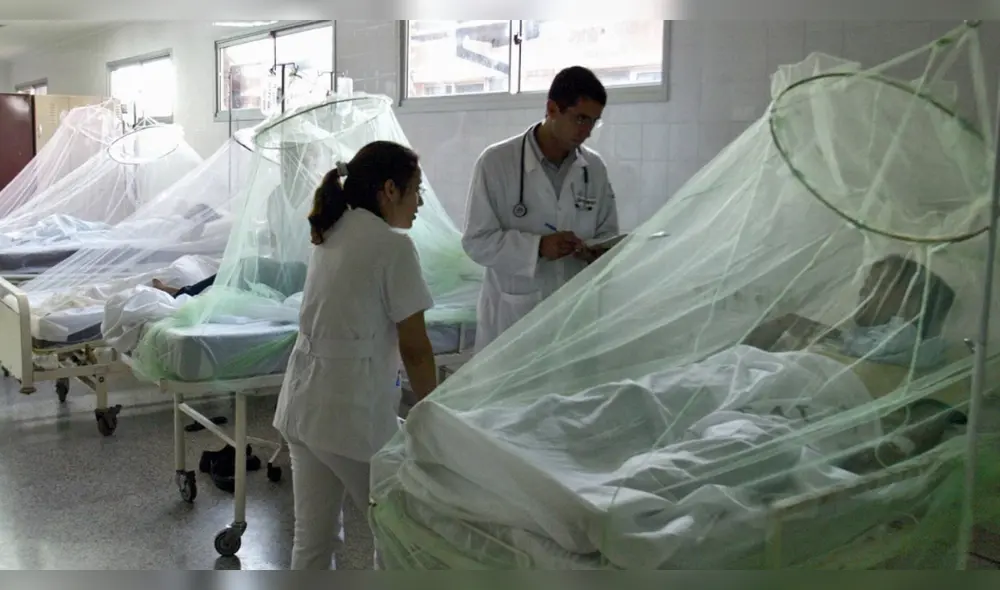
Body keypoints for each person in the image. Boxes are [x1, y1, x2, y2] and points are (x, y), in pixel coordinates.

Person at [271, 140, 439, 570]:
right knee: (400, 534)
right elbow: (416, 348)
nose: (420, 202)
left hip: (303, 407)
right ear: (389, 189)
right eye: (416, 189)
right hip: (349, 415)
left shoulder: (333, 230)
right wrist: (434, 412)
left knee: (313, 540)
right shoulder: (393, 247)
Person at [462, 66, 620, 353]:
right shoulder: (497, 162)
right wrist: (537, 248)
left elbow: (608, 232)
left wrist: (596, 250)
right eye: (580, 118)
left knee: (569, 392)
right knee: (510, 391)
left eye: (594, 122)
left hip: (575, 315)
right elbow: (476, 241)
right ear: (552, 108)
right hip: (514, 316)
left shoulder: (593, 168)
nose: (586, 131)